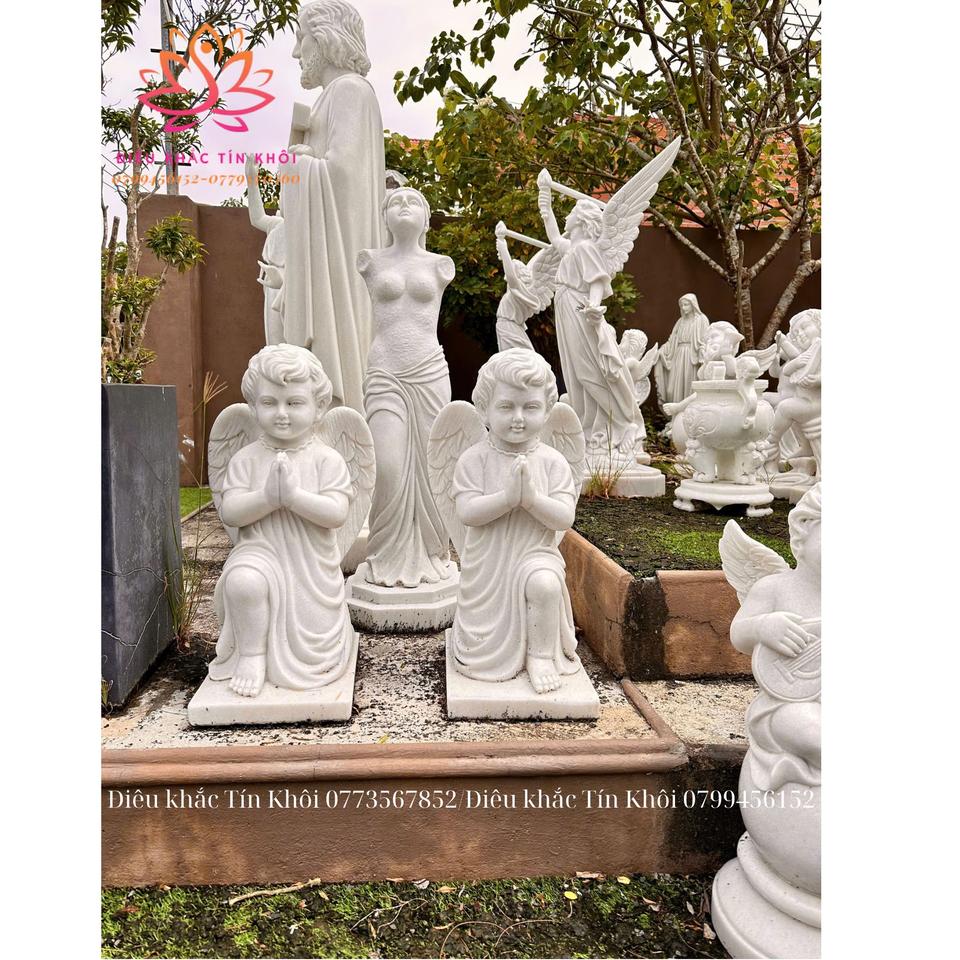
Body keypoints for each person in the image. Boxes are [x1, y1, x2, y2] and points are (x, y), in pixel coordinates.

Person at [209, 345, 356, 698]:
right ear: (252, 406)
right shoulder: (246, 459)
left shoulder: (327, 460)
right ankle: (252, 655)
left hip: (310, 567)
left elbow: (337, 514)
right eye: (269, 402)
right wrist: (267, 498)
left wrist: (293, 498)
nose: (281, 413)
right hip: (260, 552)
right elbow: (231, 512)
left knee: (314, 624)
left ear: (319, 406)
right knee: (243, 582)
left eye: (294, 403)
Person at [450, 351, 582, 694]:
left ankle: (540, 656)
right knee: (483, 633)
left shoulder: (553, 462)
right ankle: (487, 651)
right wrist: (507, 499)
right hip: (488, 562)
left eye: (531, 407)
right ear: (484, 410)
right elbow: (467, 513)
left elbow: (564, 517)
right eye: (506, 407)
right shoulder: (474, 460)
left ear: (548, 410)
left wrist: (532, 500)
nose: (519, 418)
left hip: (535, 554)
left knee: (545, 585)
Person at [277, 0, 385, 410]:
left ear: (324, 38)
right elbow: (300, 184)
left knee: (337, 354)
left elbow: (344, 178)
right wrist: (295, 163)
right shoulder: (327, 99)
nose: (296, 52)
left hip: (339, 252)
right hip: (321, 250)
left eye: (301, 38)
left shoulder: (351, 91)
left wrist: (299, 164)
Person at [358, 188, 457, 587]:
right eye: (395, 202)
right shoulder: (370, 261)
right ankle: (385, 554)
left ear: (427, 218)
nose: (403, 206)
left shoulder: (440, 265)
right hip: (385, 371)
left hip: (429, 371)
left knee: (432, 466)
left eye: (413, 201)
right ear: (384, 216)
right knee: (388, 465)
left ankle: (431, 552)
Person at [655, 293, 711, 406]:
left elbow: (706, 338)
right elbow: (672, 340)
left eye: (686, 305)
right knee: (671, 390)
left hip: (691, 356)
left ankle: (687, 411)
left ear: (693, 305)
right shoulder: (680, 321)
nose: (684, 308)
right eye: (682, 305)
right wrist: (662, 349)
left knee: (689, 386)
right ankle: (675, 412)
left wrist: (702, 350)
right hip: (678, 355)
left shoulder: (701, 319)